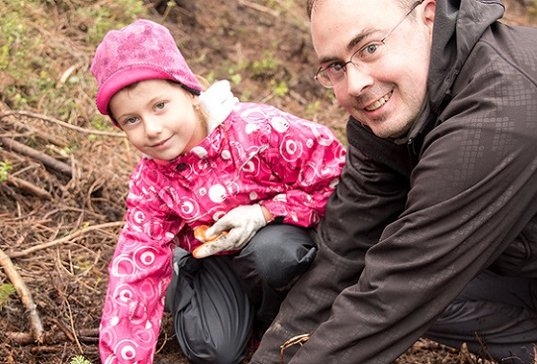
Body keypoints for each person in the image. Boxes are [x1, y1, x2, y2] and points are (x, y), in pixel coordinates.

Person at [250, 0, 537, 363]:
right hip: (527, 271)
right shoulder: (390, 113)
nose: (357, 84)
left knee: (410, 292)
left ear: (429, 16)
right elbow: (343, 256)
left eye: (370, 48)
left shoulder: (500, 114)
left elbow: (396, 290)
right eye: (335, 67)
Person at [90, 19, 346, 364]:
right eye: (131, 120)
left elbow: (337, 174)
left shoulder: (259, 132)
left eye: (160, 106)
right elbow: (135, 265)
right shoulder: (151, 182)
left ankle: (280, 323)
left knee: (275, 254)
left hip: (278, 251)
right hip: (214, 262)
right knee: (215, 352)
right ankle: (181, 274)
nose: (152, 129)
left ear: (188, 91)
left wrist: (265, 213)